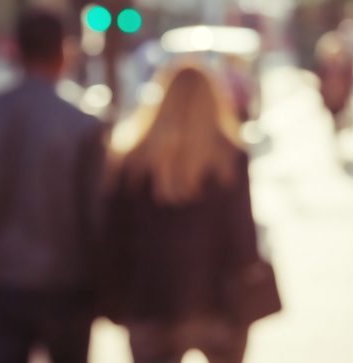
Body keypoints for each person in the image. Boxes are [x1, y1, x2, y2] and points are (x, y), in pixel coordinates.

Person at [0, 10, 106, 363]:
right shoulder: (82, 126)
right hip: (67, 285)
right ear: (63, 53)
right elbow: (98, 216)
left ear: (16, 51)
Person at [101, 63, 264, 363]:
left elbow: (113, 239)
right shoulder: (230, 157)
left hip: (150, 301)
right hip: (218, 301)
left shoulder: (132, 159)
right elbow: (243, 239)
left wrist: (115, 299)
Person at [315, 33, 353, 135]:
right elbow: (321, 84)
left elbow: (348, 85)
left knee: (340, 122)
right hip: (330, 101)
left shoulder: (345, 68)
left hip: (340, 101)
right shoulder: (325, 69)